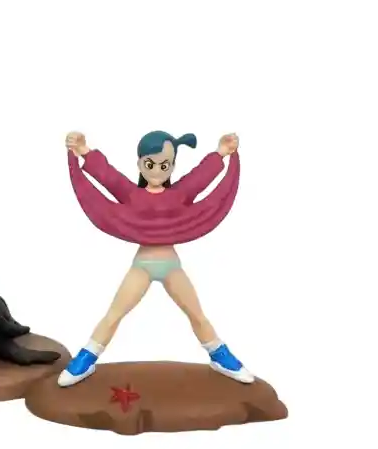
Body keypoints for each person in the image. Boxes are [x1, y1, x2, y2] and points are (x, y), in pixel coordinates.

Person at [58, 130, 254, 387]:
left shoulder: (179, 194)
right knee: (114, 314)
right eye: (150, 164)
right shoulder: (131, 193)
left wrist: (221, 153)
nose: (157, 170)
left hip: (171, 267)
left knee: (197, 315)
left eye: (165, 165)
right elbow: (108, 176)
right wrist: (84, 150)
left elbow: (200, 178)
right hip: (142, 266)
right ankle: (87, 356)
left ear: (172, 166)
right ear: (140, 164)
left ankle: (220, 355)